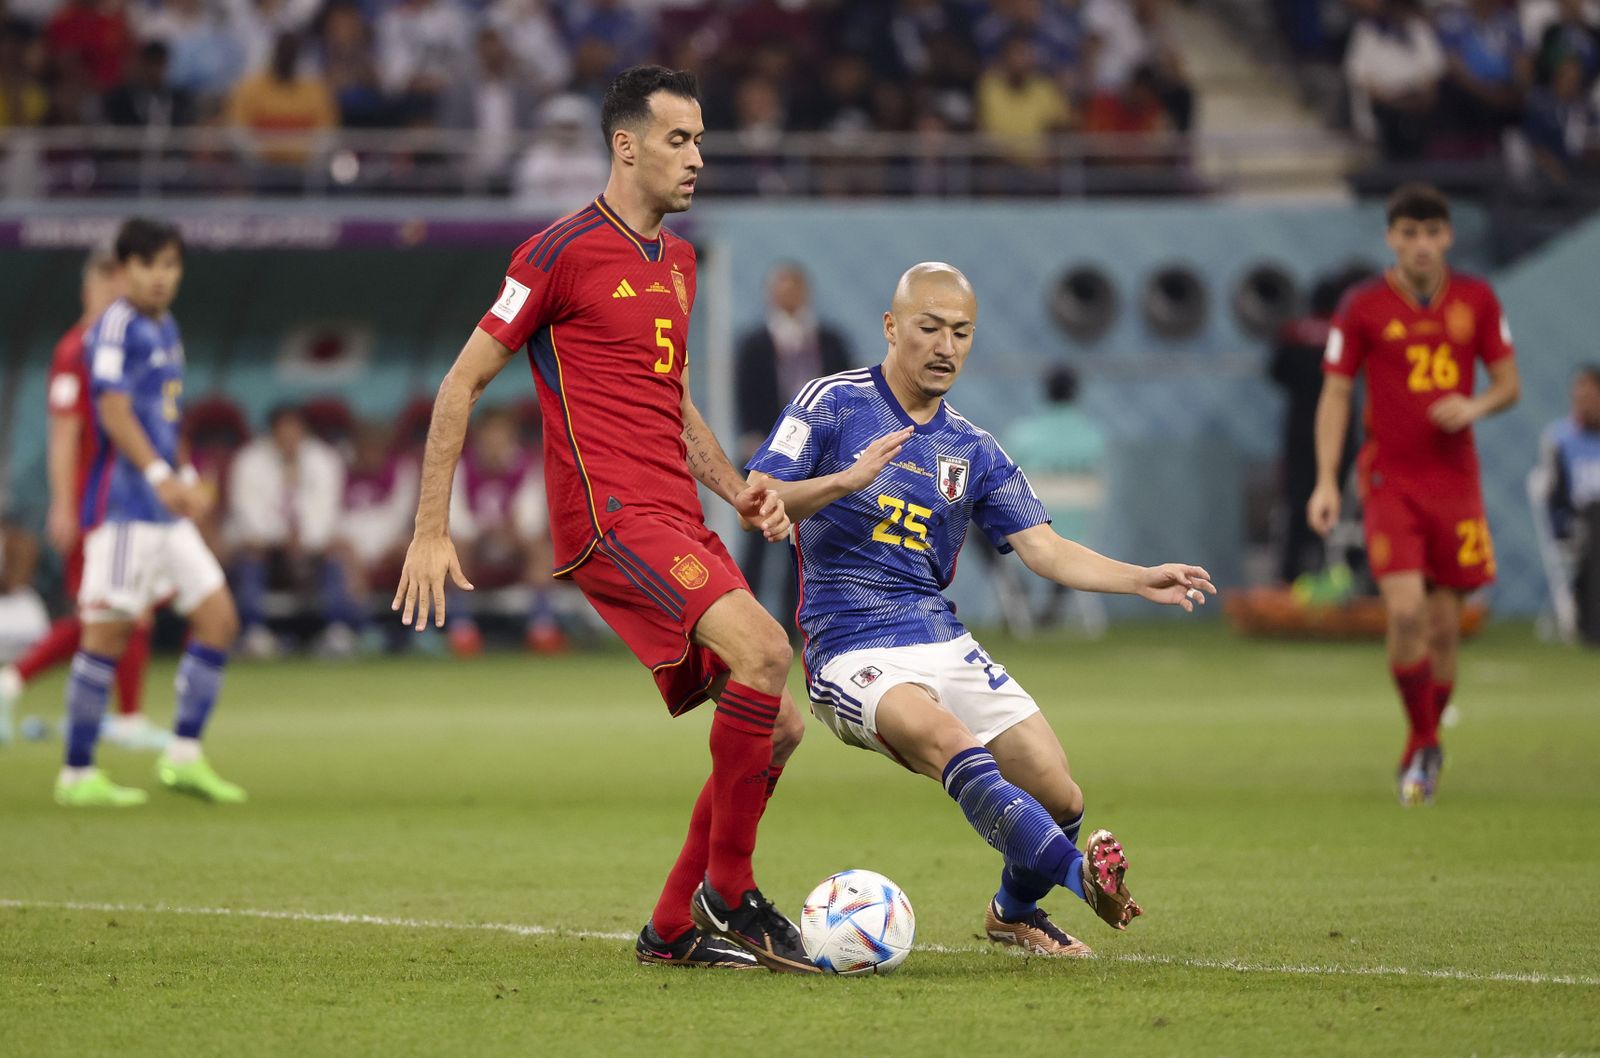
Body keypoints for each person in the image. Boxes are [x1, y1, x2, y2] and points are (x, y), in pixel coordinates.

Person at [392, 66, 812, 973]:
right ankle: (731, 893)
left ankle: (671, 929)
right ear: (626, 146)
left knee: (780, 718)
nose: (697, 158)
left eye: (701, 140)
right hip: (611, 514)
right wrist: (431, 527)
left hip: (680, 509)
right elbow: (460, 383)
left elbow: (673, 399)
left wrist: (735, 485)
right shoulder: (556, 252)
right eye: (678, 140)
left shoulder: (682, 262)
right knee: (768, 651)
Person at [746, 262, 1215, 957]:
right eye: (929, 328)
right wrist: (847, 480)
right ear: (891, 327)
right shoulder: (832, 403)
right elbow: (760, 496)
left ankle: (1012, 912)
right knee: (950, 745)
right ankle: (1081, 884)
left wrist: (1139, 578)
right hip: (848, 644)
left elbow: (1046, 550)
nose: (944, 346)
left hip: (938, 634)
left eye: (960, 332)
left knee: (1061, 799)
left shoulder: (973, 448)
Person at [1308, 184, 1521, 807]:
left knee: (1447, 630)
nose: (1421, 245)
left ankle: (1421, 742)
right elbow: (1337, 393)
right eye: (1409, 234)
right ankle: (1426, 743)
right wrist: (1326, 478)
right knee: (1405, 613)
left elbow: (1509, 382)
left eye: (1432, 233)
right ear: (1391, 239)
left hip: (1456, 483)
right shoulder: (1364, 306)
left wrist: (1475, 403)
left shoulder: (1477, 299)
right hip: (1389, 480)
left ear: (1447, 236)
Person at [54, 217, 246, 807]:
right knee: (104, 638)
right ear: (124, 270)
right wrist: (163, 478)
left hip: (165, 509)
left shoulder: (167, 326)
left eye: (170, 265)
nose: (160, 277)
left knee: (219, 619)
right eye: (148, 265)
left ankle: (183, 756)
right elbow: (111, 412)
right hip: (123, 511)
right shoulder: (113, 327)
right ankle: (77, 774)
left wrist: (185, 478)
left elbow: (165, 418)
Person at [0, 248, 164, 751]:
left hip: (126, 501)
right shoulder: (76, 350)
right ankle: (17, 682)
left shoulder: (121, 347)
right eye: (113, 286)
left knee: (127, 608)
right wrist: (65, 505)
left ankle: (123, 715)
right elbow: (64, 436)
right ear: (92, 288)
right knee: (108, 612)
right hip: (95, 506)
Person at [734, 263, 852, 626]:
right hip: (770, 452)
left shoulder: (830, 340)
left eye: (793, 287)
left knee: (808, 537)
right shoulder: (754, 343)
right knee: (757, 534)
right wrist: (751, 436)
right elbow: (745, 394)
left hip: (821, 454)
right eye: (780, 287)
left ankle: (798, 621)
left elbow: (846, 391)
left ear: (805, 291)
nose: (787, 295)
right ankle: (745, 619)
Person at [226, 404, 358, 658]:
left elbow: (327, 508)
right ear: (271, 432)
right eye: (282, 431)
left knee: (337, 554)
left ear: (304, 431)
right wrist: (278, 537)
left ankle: (337, 630)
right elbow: (246, 509)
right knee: (249, 556)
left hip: (312, 546)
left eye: (294, 430)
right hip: (265, 545)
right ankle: (254, 631)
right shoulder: (249, 460)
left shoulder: (324, 459)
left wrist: (305, 537)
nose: (288, 437)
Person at [443, 407, 565, 655]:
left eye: (501, 436)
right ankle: (461, 628)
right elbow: (453, 514)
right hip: (475, 543)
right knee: (453, 548)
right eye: (490, 436)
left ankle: (542, 626)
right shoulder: (461, 466)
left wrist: (510, 532)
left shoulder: (526, 467)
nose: (494, 442)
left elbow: (531, 517)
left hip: (513, 543)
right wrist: (482, 531)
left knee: (540, 550)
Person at [1538, 364, 1600, 644]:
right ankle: (1594, 624)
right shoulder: (1561, 438)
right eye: (1579, 391)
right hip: (1579, 522)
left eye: (1590, 391)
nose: (1582, 397)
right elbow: (1555, 496)